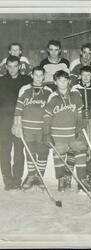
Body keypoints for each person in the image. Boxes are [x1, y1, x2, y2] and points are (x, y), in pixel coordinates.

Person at [43, 70, 91, 192]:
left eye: (65, 80)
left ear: (69, 81)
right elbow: (47, 117)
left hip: (73, 133)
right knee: (59, 156)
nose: (63, 83)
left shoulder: (75, 94)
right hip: (58, 135)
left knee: (81, 151)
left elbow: (80, 114)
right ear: (55, 82)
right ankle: (61, 179)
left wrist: (80, 126)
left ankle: (82, 179)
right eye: (60, 81)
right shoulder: (53, 97)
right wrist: (46, 133)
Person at [12, 66, 52, 190]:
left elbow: (51, 111)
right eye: (36, 75)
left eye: (41, 75)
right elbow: (18, 109)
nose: (38, 78)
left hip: (42, 128)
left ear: (44, 76)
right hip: (27, 127)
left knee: (43, 152)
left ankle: (39, 177)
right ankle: (31, 176)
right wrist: (16, 125)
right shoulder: (24, 89)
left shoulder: (49, 91)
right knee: (30, 152)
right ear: (32, 75)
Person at [0, 55, 32, 190]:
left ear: (19, 66)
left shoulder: (26, 80)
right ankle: (8, 181)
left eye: (15, 66)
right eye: (10, 66)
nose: (12, 69)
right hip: (4, 122)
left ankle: (17, 180)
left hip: (20, 121)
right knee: (4, 152)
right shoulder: (1, 81)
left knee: (19, 152)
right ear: (6, 67)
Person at [71, 66, 91, 143]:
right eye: (83, 75)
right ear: (80, 76)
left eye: (88, 75)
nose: (86, 77)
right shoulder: (75, 88)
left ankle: (90, 151)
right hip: (79, 118)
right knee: (80, 140)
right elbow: (72, 105)